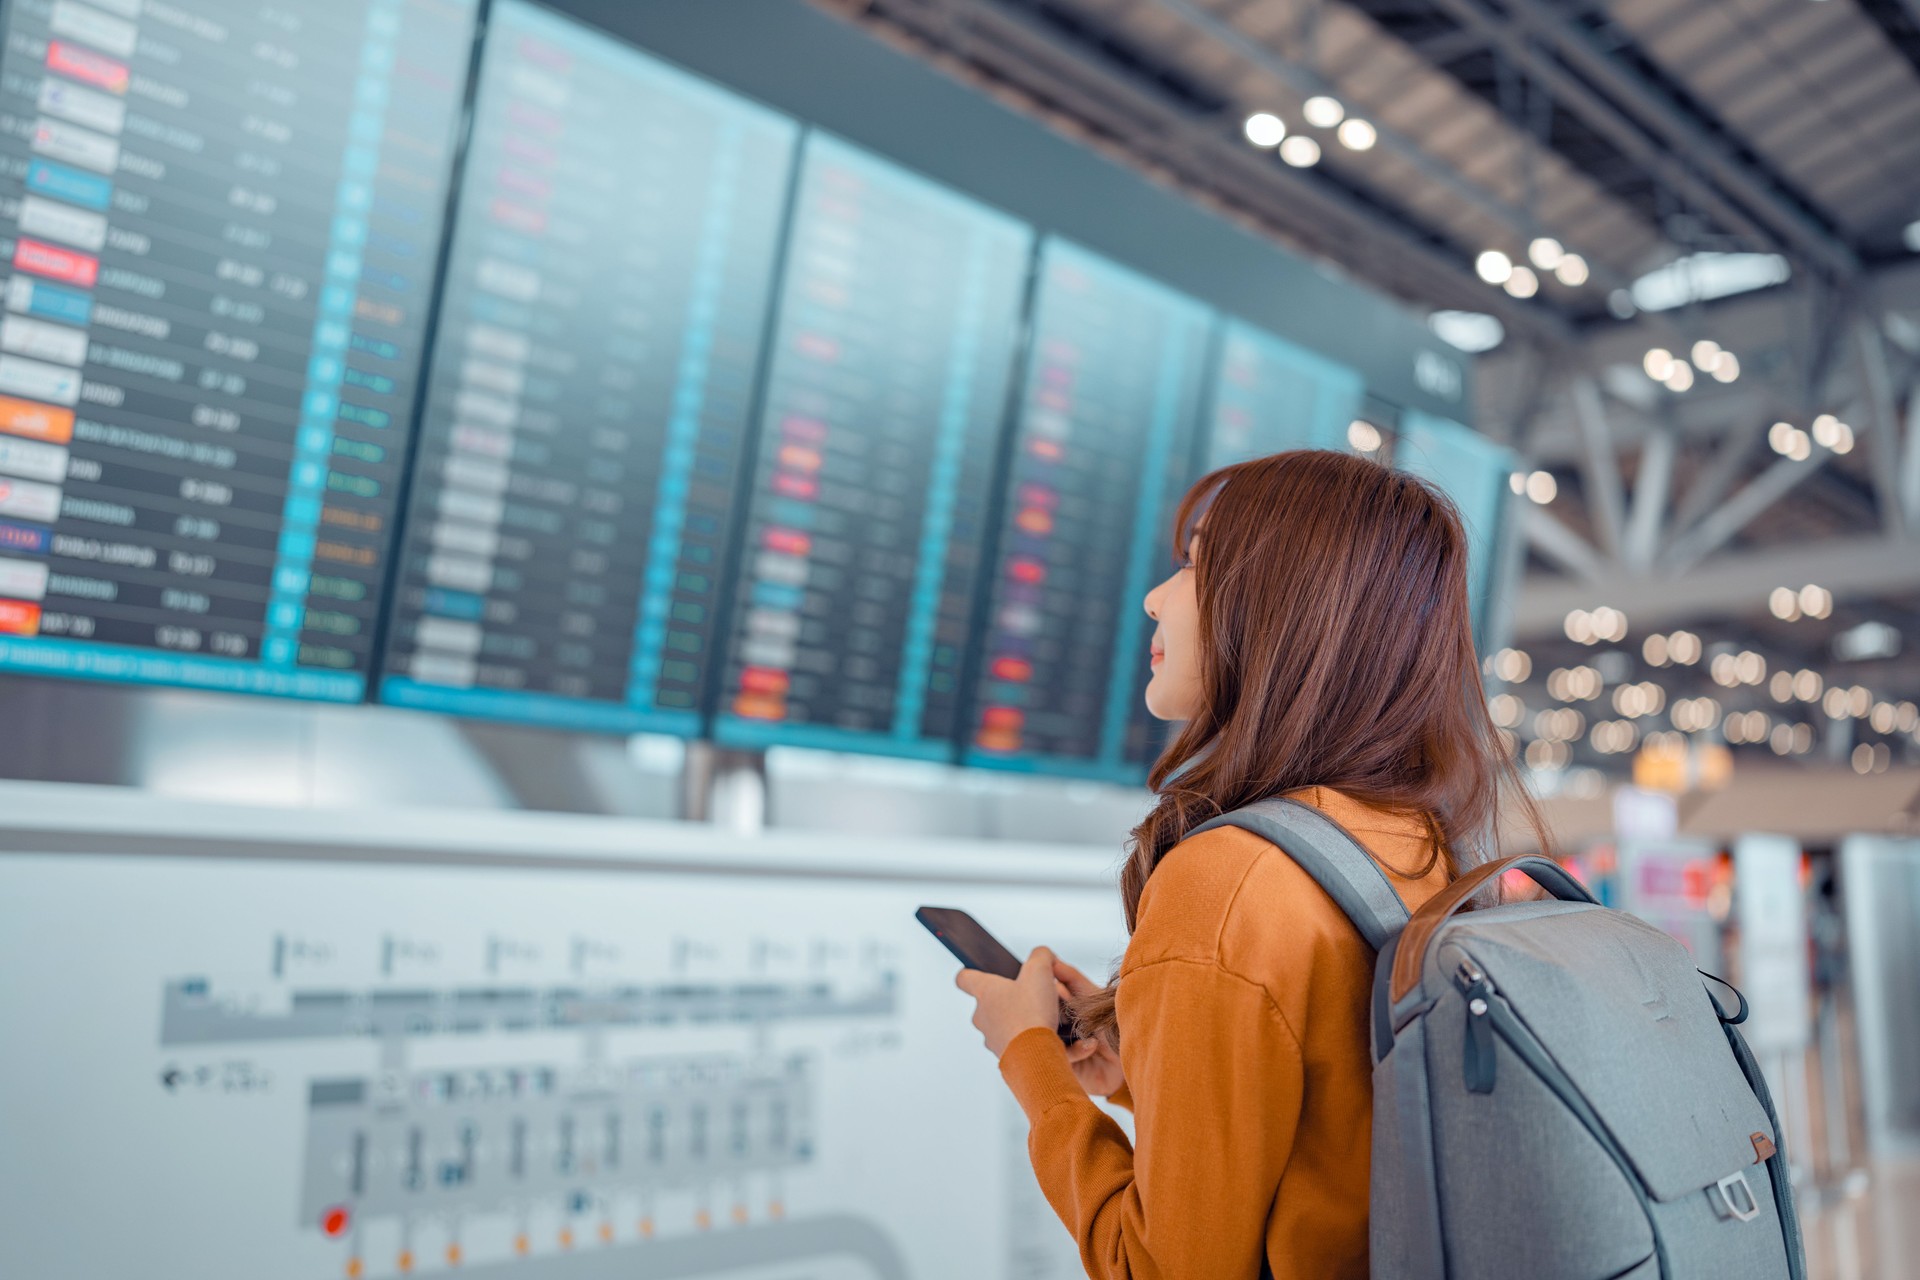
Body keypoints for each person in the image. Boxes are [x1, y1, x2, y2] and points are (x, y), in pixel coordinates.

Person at [954, 449, 1545, 1279]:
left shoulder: (1225, 882)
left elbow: (1158, 1267)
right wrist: (1136, 1066)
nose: (1156, 599)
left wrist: (1035, 1068)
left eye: (1195, 565)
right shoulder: (1415, 838)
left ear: (1278, 608)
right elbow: (1339, 1138)